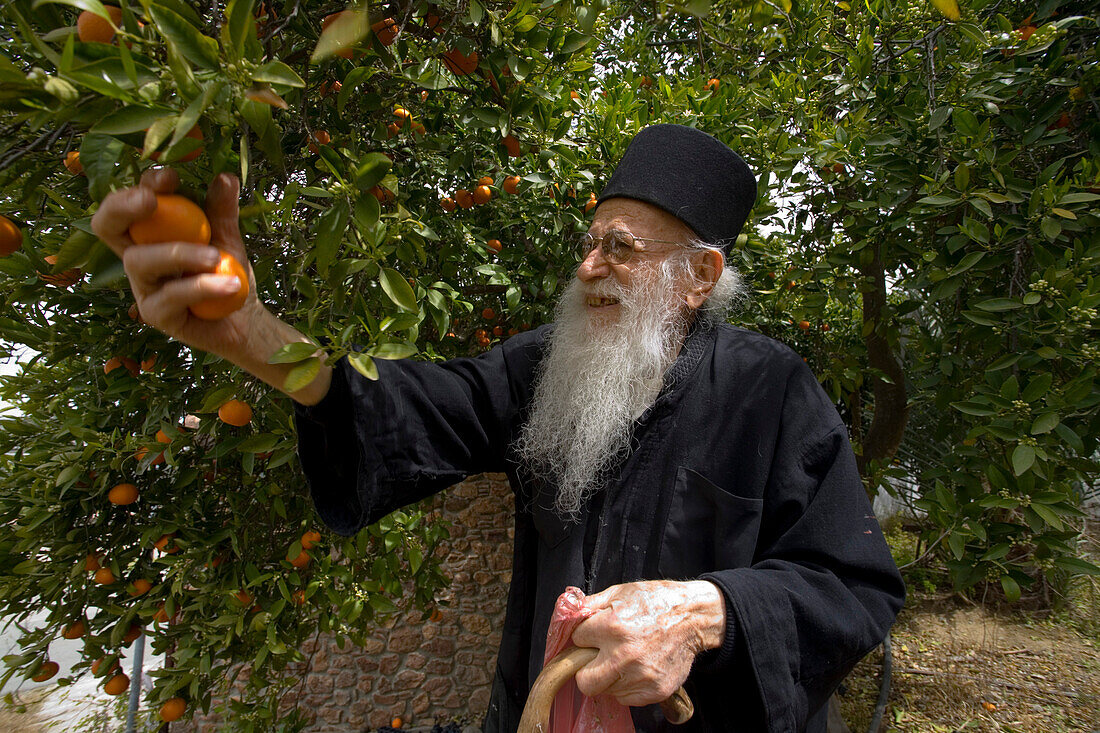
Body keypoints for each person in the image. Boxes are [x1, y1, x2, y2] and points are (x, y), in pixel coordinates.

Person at [92, 124, 904, 732]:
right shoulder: (544, 368)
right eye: (589, 243)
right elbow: (407, 410)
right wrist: (256, 336)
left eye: (620, 248)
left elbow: (853, 587)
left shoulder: (773, 389)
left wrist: (703, 611)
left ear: (698, 276)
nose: (588, 266)